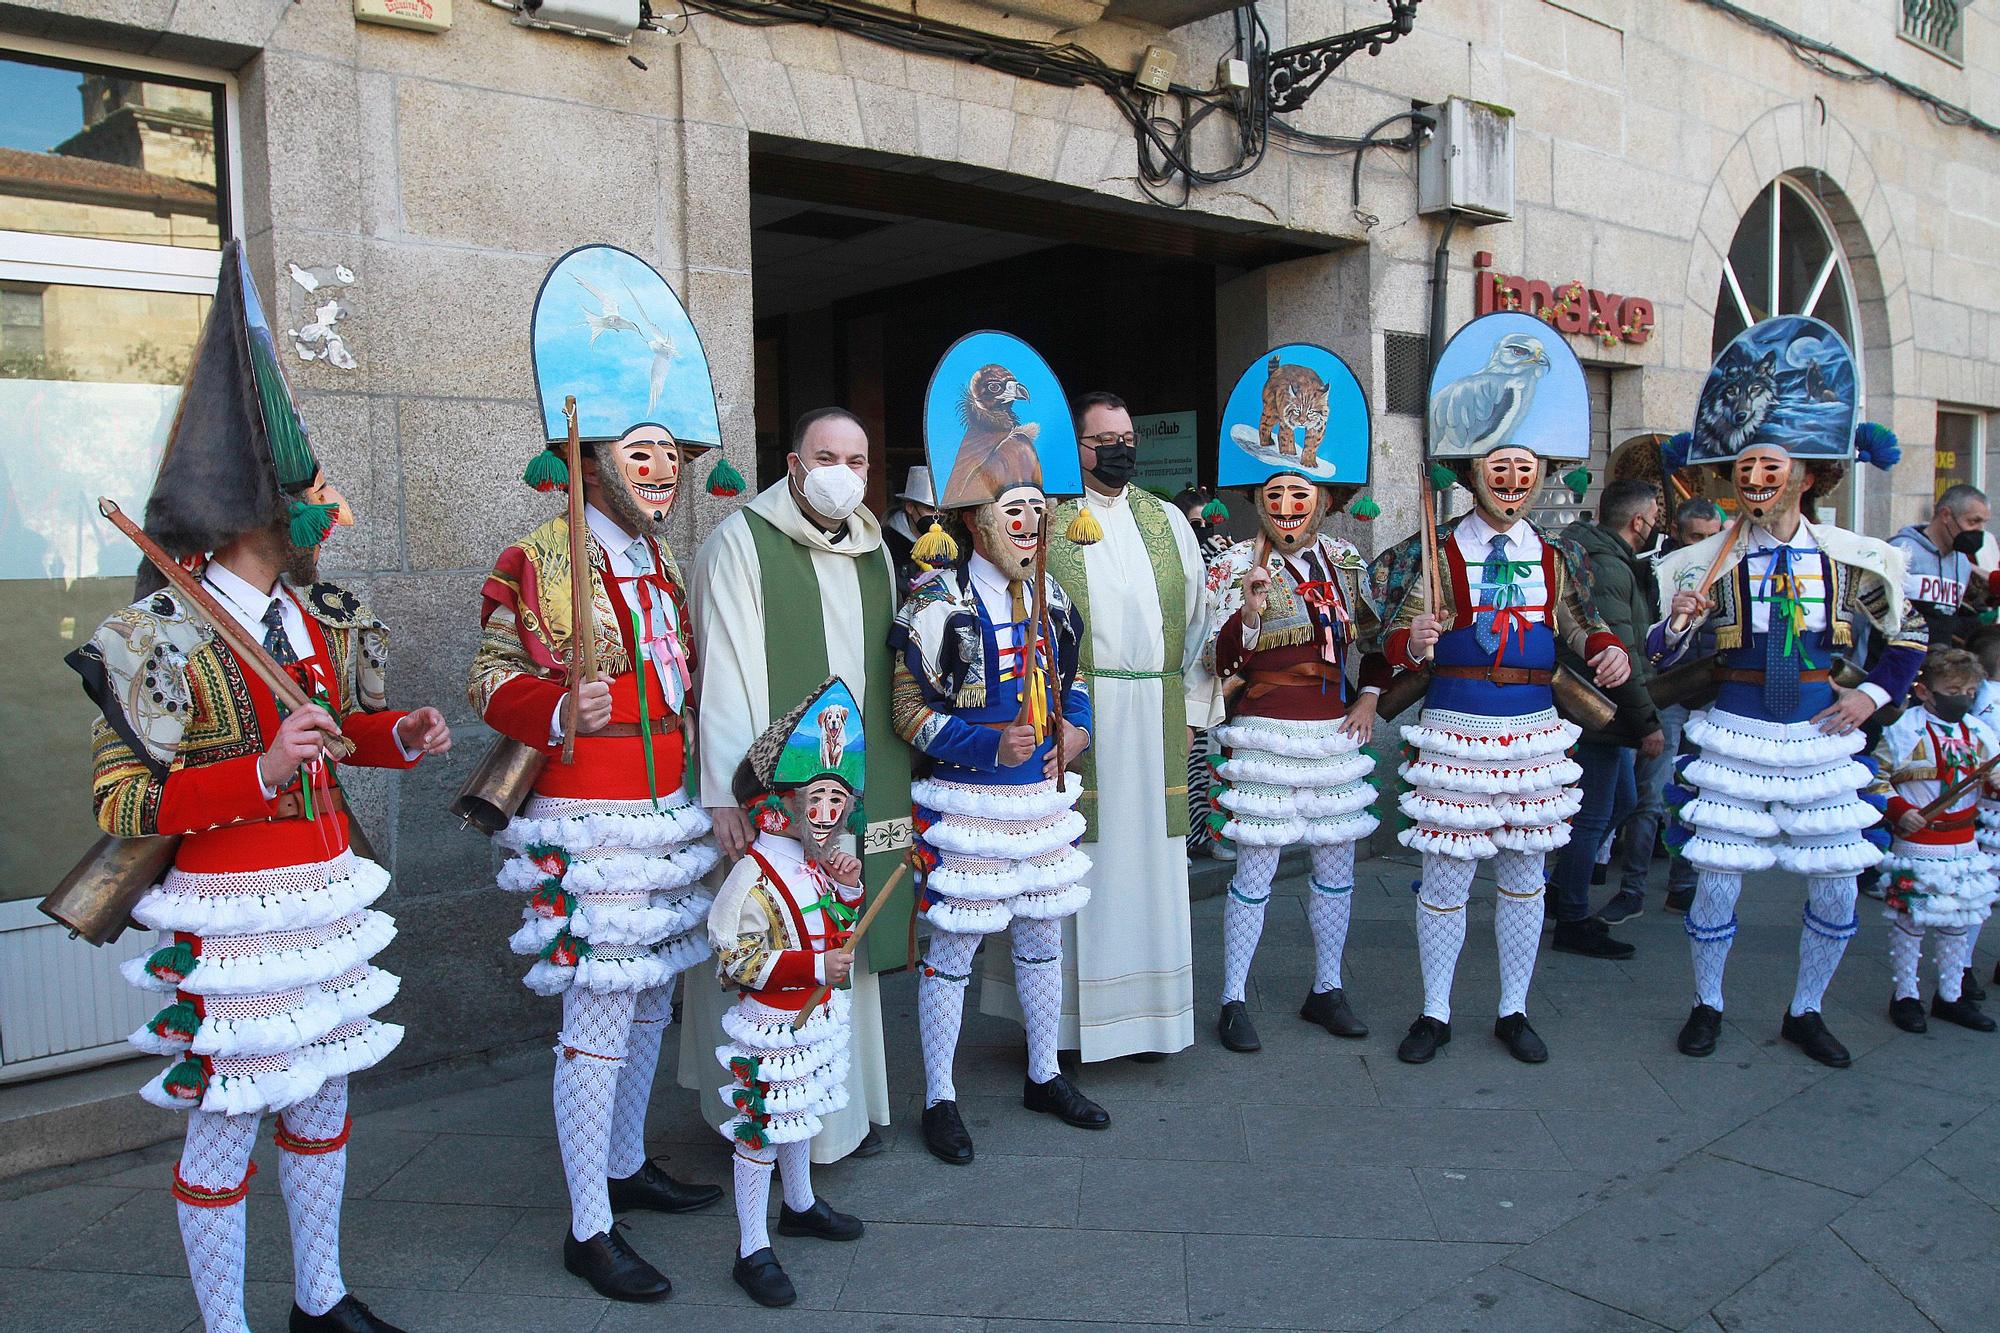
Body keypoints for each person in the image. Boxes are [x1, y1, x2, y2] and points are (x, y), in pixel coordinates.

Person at [73, 243, 452, 1333]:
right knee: (229, 1121)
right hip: (233, 910)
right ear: (242, 506)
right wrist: (260, 770)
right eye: (301, 488)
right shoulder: (152, 635)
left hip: (322, 896)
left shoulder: (316, 617)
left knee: (325, 1102)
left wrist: (395, 735)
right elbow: (122, 804)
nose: (322, 501)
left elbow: (335, 735)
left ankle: (318, 1299)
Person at [468, 245, 725, 1303]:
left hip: (662, 806)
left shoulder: (659, 561)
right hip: (589, 815)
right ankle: (587, 1225)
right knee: (599, 1013)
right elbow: (490, 672)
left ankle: (625, 1169)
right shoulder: (538, 555)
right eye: (642, 451)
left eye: (671, 454)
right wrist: (549, 704)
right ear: (591, 457)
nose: (661, 472)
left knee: (655, 995)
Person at [1652, 315, 1924, 1068]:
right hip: (1734, 733)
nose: (1759, 481)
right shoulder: (1699, 562)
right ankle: (1707, 1003)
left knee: (1837, 885)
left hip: (1820, 735)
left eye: (1774, 468)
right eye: (1747, 469)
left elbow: (1910, 635)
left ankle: (1807, 1009)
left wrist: (1871, 696)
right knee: (1716, 882)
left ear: (1807, 473)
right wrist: (1676, 626)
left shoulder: (1855, 559)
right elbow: (1658, 651)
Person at [1373, 312, 1630, 1066]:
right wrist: (1408, 640)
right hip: (1456, 731)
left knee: (1524, 875)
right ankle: (1435, 1010)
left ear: (1542, 474)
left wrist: (1608, 649)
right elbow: (1387, 628)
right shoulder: (1435, 547)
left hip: (1533, 732)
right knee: (1446, 874)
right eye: (1499, 466)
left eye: (1525, 468)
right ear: (1473, 470)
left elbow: (1582, 625)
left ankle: (1514, 1008)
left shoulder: (1555, 556)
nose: (1513, 480)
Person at [891, 330, 1105, 1164]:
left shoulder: (1053, 593)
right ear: (976, 522)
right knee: (954, 943)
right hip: (968, 798)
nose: (1028, 525)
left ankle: (1044, 1070)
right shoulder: (933, 597)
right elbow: (908, 710)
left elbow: (1075, 677)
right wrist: (986, 743)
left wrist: (1075, 727)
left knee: (1044, 931)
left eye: (1035, 512)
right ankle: (940, 1093)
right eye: (1012, 513)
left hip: (1042, 794)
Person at [678, 406, 909, 1166]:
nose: (845, 472)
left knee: (840, 933)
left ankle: (838, 1113)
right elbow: (723, 674)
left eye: (859, 459)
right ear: (793, 461)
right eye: (827, 455)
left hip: (853, 782)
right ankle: (755, 1119)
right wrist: (727, 792)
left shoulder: (877, 550)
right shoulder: (742, 541)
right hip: (772, 796)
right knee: (775, 934)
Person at [979, 390, 1209, 1064]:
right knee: (1084, 866)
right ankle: (1071, 1026)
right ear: (1074, 448)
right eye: (1104, 438)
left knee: (1151, 866)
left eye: (1127, 435)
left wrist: (1192, 713)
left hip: (1155, 713)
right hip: (1075, 713)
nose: (1120, 449)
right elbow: (1016, 615)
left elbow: (1201, 624)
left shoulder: (1168, 520)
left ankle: (1148, 1019)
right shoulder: (1044, 516)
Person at [1193, 346, 1386, 1053]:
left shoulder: (1346, 564)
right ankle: (1234, 997)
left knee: (1335, 863)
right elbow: (1213, 663)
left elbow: (1380, 644)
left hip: (1335, 732)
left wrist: (1368, 696)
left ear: (1326, 502)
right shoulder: (1233, 565)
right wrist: (1244, 617)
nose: (1287, 507)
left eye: (1300, 495)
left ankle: (1327, 986)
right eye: (1273, 495)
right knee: (1258, 865)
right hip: (1268, 732)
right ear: (1257, 502)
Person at [708, 678, 870, 1307]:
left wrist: (850, 891)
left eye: (839, 799)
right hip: (769, 1023)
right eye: (819, 799)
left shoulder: (815, 864)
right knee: (762, 1127)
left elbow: (836, 928)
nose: (830, 814)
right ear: (782, 804)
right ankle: (751, 1248)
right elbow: (734, 956)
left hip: (813, 1018)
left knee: (801, 1108)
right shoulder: (753, 874)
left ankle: (799, 1203)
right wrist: (811, 966)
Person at [1550, 480, 1666, 954]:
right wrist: (1648, 723)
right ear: (1638, 521)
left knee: (1621, 801)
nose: (1659, 521)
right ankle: (1572, 917)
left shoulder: (1612, 559)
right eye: (1655, 512)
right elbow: (1621, 655)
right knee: (1594, 814)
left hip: (1610, 712)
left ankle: (1561, 892)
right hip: (1599, 712)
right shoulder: (1609, 565)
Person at [1872, 648, 1999, 1035]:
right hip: (1918, 841)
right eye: (1953, 688)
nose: (1962, 696)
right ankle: (1906, 995)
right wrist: (1897, 810)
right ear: (1927, 691)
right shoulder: (1900, 729)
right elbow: (1874, 776)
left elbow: (1992, 788)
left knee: (1958, 920)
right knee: (1911, 919)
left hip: (1965, 843)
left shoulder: (1980, 733)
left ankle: (1951, 995)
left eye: (1971, 690)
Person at [1625, 497, 1724, 917]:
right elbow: (1644, 637)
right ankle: (1632, 886)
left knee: (1699, 795)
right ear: (1680, 534)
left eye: (1712, 536)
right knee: (1650, 794)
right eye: (1696, 536)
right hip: (1666, 691)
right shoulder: (1658, 571)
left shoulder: (1732, 571)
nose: (1705, 544)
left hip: (1713, 694)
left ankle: (1684, 884)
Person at [1175, 483, 1235, 865]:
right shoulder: (1176, 561)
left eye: (1209, 524)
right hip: (1179, 672)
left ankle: (1209, 833)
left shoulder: (1225, 559)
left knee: (1209, 761)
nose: (1204, 533)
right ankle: (1183, 836)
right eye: (1196, 525)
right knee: (1183, 762)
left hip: (1213, 676)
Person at [1891, 484, 1992, 647]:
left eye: (1983, 523)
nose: (1979, 531)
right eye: (1973, 521)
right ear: (1946, 515)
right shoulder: (1901, 551)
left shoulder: (1962, 564)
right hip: (1892, 661)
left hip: (1936, 665)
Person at [885, 463, 947, 596]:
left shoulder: (952, 545)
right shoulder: (887, 544)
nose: (938, 517)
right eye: (930, 509)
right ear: (910, 507)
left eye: (943, 511)